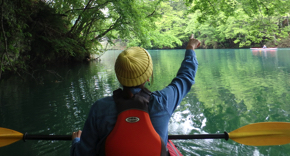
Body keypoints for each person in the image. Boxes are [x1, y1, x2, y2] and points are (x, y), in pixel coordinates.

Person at [70, 34, 201, 155]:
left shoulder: (99, 108)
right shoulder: (163, 101)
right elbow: (185, 77)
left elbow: (82, 153)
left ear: (119, 76)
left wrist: (76, 142)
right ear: (148, 76)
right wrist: (190, 48)